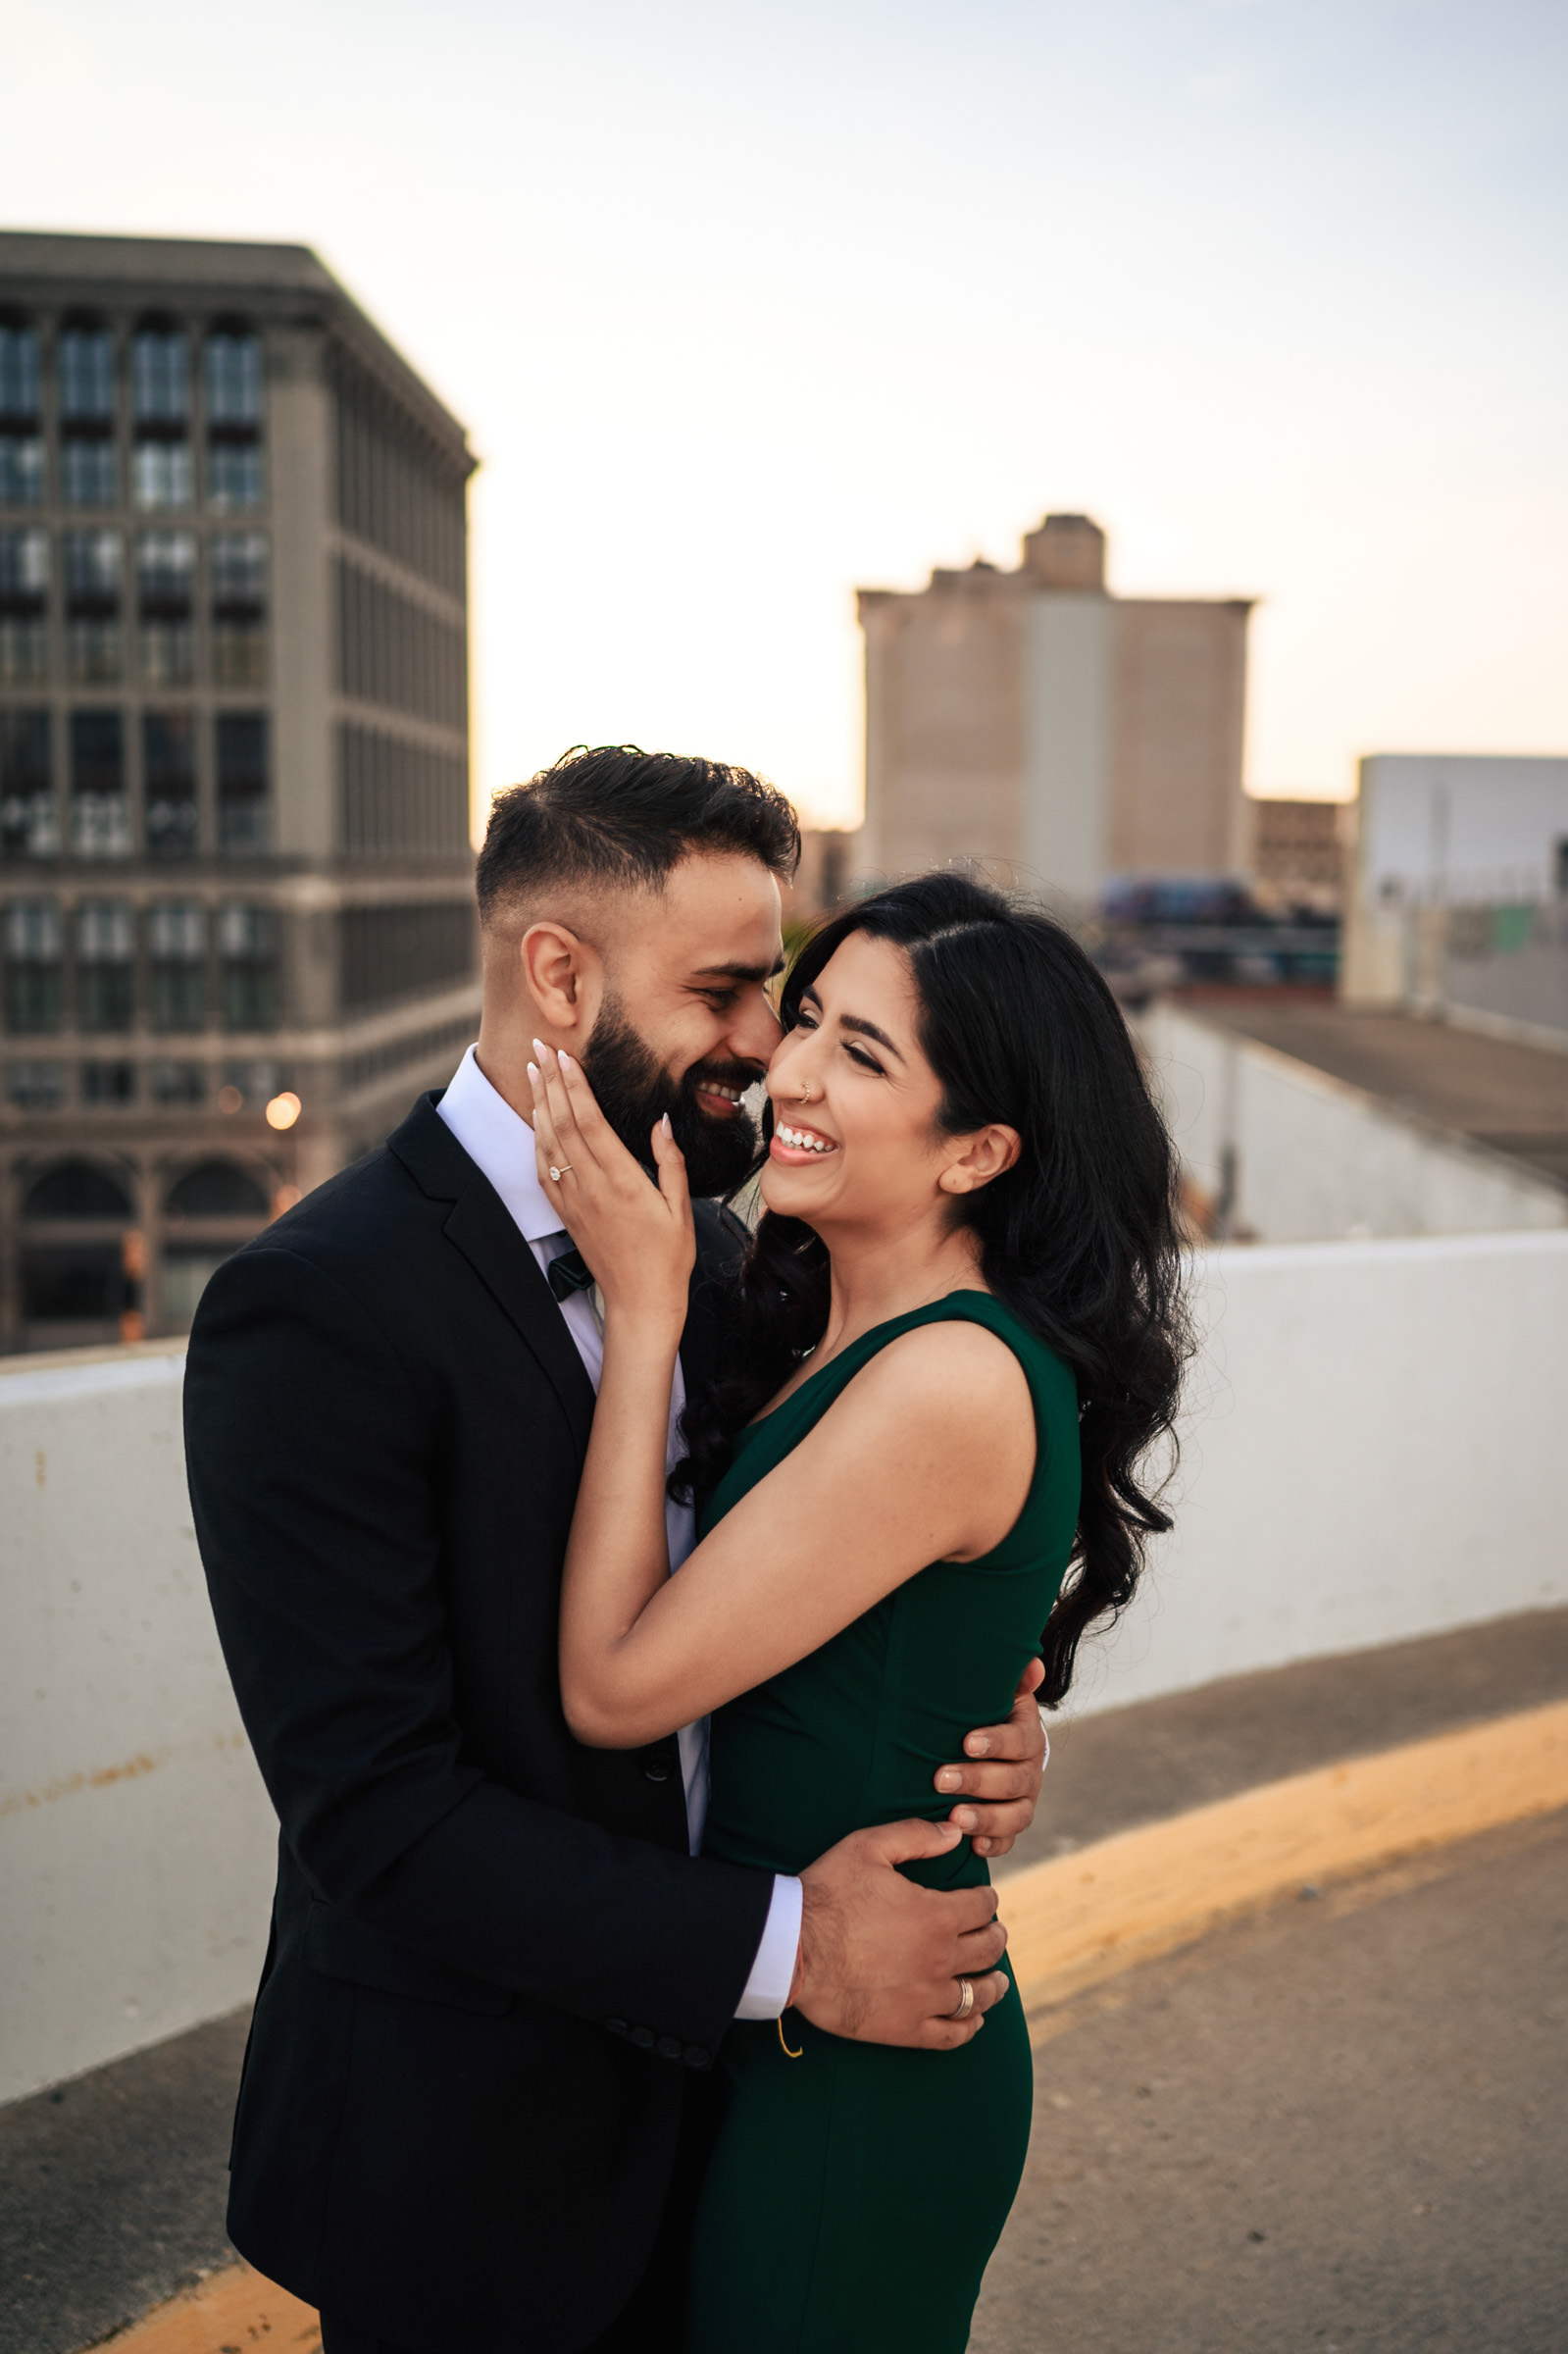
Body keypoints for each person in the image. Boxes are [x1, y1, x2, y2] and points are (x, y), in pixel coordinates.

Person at [183, 751, 1050, 2354]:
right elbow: (377, 1813)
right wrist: (795, 1951)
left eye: (782, 999)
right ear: (560, 977)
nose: (766, 1052)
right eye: (726, 993)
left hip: (738, 2136)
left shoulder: (722, 1258)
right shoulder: (313, 1308)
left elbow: (795, 1590)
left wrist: (979, 1720)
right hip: (467, 2166)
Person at [528, 868, 1188, 2354]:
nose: (792, 1069)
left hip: (867, 2069)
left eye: (863, 1053)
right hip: (790, 2012)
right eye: (807, 1016)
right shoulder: (837, 1328)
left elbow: (618, 1689)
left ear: (980, 1153)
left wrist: (641, 1313)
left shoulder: (948, 1381)